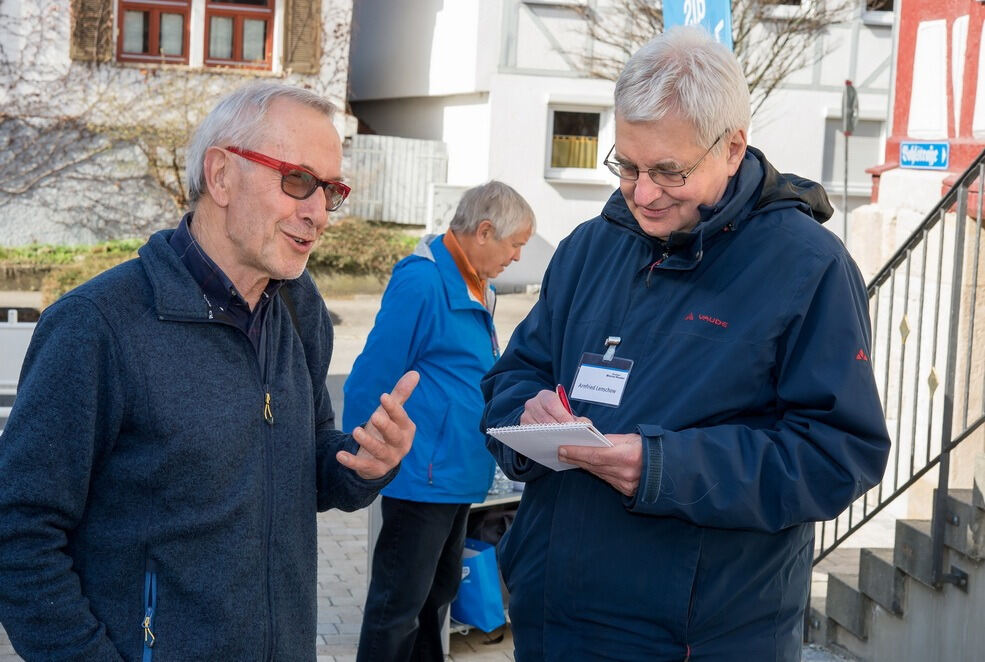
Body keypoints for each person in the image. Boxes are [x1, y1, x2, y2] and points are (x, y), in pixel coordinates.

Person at [481, 26, 891, 661]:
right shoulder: (591, 247)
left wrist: (660, 469)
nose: (643, 194)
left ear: (732, 148)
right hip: (553, 622)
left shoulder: (807, 267)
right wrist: (525, 413)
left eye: (668, 171)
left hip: (698, 641)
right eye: (628, 166)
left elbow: (838, 453)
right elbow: (511, 377)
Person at [0, 82, 419, 660]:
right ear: (221, 176)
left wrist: (361, 464)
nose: (319, 213)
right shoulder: (96, 327)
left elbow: (308, 461)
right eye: (297, 180)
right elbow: (18, 534)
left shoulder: (300, 307)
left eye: (331, 190)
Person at [344, 181, 534, 661]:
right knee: (399, 604)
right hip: (421, 476)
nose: (517, 257)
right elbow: (372, 374)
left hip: (454, 474)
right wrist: (357, 458)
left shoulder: (475, 283)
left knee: (438, 595)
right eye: (516, 245)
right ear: (485, 232)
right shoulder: (424, 281)